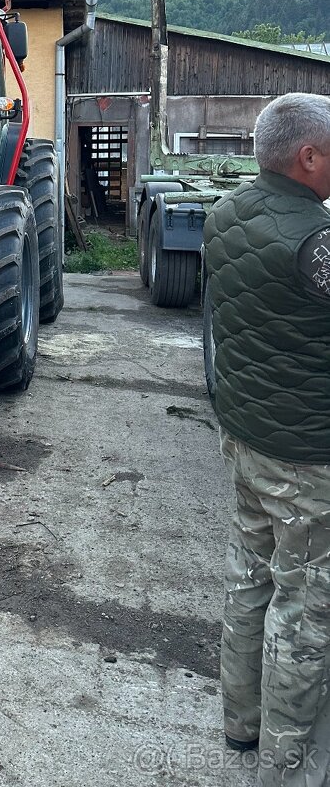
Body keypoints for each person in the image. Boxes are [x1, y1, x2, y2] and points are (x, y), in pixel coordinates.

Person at [204, 91, 330, 785]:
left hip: (247, 438)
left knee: (247, 579)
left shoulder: (225, 217)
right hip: (308, 461)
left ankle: (241, 724)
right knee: (303, 612)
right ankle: (285, 766)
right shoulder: (317, 243)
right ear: (308, 157)